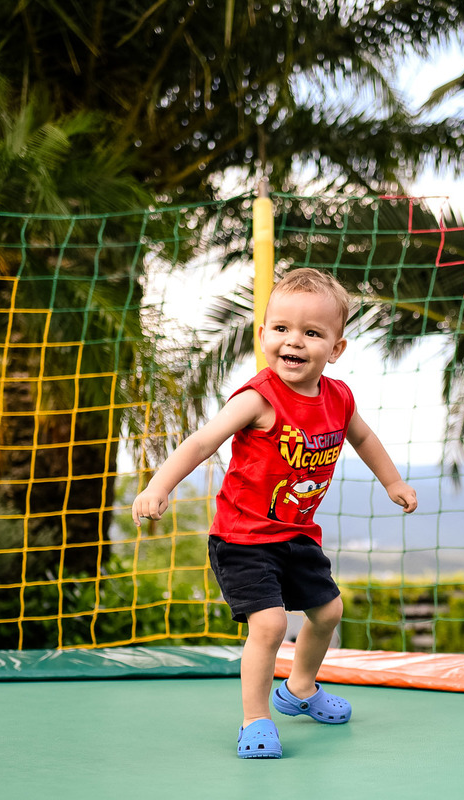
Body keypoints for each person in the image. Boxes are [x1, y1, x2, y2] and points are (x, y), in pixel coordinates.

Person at [131, 268, 417, 759]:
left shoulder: (339, 398)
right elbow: (201, 442)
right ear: (263, 335)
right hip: (242, 538)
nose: (294, 341)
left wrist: (392, 481)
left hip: (296, 534)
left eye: (312, 333)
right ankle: (255, 719)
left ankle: (300, 689)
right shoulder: (257, 398)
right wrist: (159, 486)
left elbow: (364, 438)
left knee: (329, 612)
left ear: (336, 348)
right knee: (268, 625)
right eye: (282, 328)